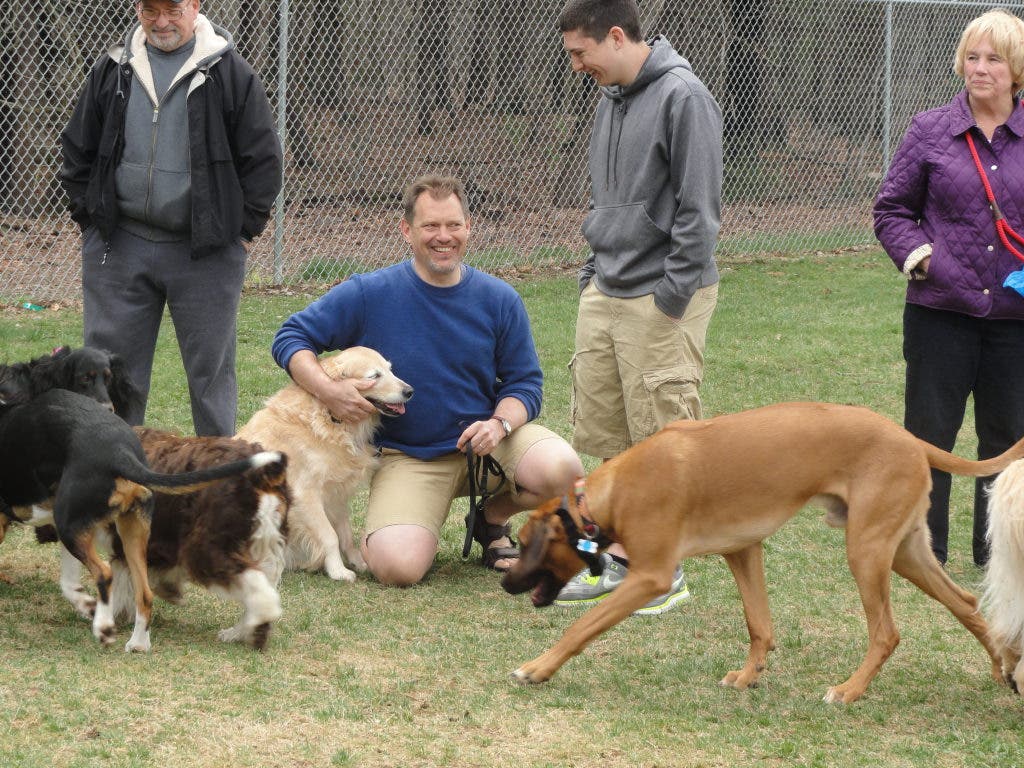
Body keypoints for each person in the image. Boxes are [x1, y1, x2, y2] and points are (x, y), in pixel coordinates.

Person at [271, 174, 584, 586]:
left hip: (488, 448)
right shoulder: (370, 292)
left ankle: (491, 518)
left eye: (453, 225)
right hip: (410, 456)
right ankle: (407, 528)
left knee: (563, 469)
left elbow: (525, 385)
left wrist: (499, 424)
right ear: (407, 230)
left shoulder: (499, 298)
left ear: (468, 227)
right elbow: (291, 337)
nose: (444, 237)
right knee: (396, 568)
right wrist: (330, 391)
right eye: (430, 226)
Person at [552, 0, 723, 614]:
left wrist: (670, 296)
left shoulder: (685, 97)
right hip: (607, 287)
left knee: (661, 437)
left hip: (663, 293)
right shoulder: (610, 98)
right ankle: (616, 558)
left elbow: (700, 213)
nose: (577, 66)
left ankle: (662, 567)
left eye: (581, 52)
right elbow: (607, 201)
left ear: (617, 36)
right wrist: (592, 275)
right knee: (611, 436)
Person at [59, 0, 283, 436]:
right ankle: (110, 478)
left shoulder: (229, 73)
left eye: (173, 9)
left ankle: (216, 485)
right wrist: (89, 218)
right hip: (119, 245)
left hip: (205, 252)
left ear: (196, 6)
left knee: (211, 378)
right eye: (150, 9)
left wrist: (241, 230)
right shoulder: (113, 68)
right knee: (111, 376)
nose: (161, 21)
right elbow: (77, 146)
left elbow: (264, 160)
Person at [874, 8, 1024, 567]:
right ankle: (924, 547)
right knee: (930, 435)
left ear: (1017, 70)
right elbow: (891, 209)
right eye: (972, 57)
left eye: (994, 59)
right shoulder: (931, 130)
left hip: (1015, 320)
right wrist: (919, 255)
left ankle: (997, 550)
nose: (980, 68)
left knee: (1007, 440)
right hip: (941, 312)